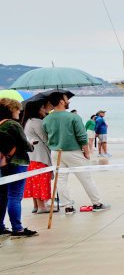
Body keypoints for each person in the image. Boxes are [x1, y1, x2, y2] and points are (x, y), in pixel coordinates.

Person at [42, 91, 107, 213]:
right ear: (61, 102)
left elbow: (46, 137)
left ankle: (68, 207)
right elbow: (82, 136)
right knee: (86, 178)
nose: (68, 101)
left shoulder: (46, 119)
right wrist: (86, 152)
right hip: (73, 151)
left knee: (61, 180)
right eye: (66, 99)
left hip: (56, 152)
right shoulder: (73, 117)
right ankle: (97, 203)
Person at [0, 98, 37, 237]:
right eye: (17, 110)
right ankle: (17, 228)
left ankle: (1, 226)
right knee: (15, 196)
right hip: (17, 162)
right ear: (11, 110)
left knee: (3, 196)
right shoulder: (13, 125)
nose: (19, 112)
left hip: (3, 163)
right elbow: (24, 145)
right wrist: (31, 144)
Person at [21, 97, 53, 215]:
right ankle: (42, 206)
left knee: (34, 180)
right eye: (43, 108)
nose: (44, 110)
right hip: (40, 156)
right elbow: (45, 139)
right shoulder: (37, 122)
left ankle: (36, 205)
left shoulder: (28, 121)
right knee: (41, 180)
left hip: (32, 156)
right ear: (37, 109)